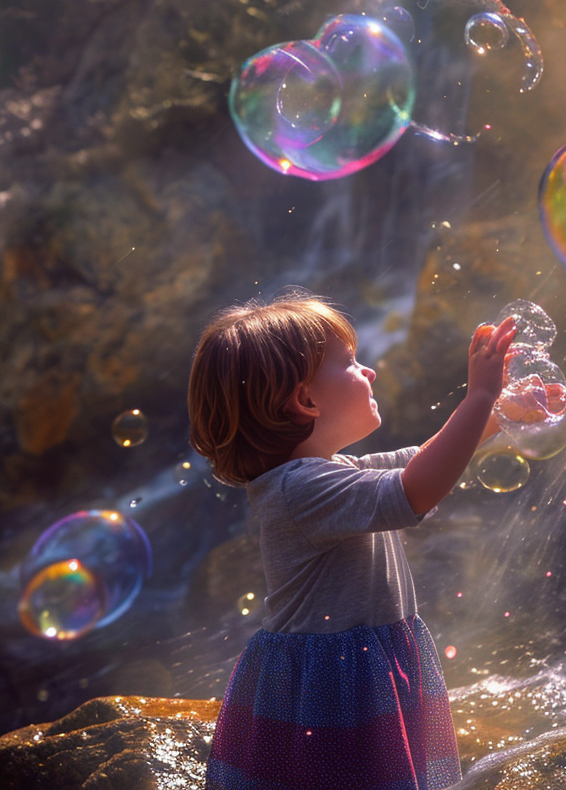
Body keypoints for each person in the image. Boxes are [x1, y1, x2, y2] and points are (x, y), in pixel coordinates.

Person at [187, 288, 517, 790]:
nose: (370, 371)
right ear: (305, 400)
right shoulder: (301, 489)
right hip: (331, 683)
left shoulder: (327, 472)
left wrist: (499, 414)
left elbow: (416, 460)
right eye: (350, 363)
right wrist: (478, 397)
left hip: (354, 666)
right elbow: (417, 488)